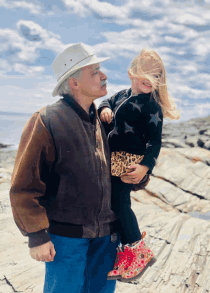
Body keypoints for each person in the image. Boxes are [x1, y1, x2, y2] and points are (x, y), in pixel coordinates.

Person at [9, 42, 142, 293]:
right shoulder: (47, 120)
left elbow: (117, 170)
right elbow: (24, 186)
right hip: (66, 240)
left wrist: (138, 173)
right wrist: (36, 236)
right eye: (95, 72)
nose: (104, 76)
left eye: (100, 70)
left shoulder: (105, 119)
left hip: (108, 236)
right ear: (74, 83)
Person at [98, 48, 180, 282]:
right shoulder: (120, 95)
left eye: (158, 76)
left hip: (129, 163)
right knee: (113, 204)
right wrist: (104, 108)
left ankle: (138, 250)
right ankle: (128, 253)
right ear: (132, 73)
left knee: (120, 204)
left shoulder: (151, 106)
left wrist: (146, 167)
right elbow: (106, 100)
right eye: (148, 73)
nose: (153, 79)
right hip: (111, 159)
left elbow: (155, 142)